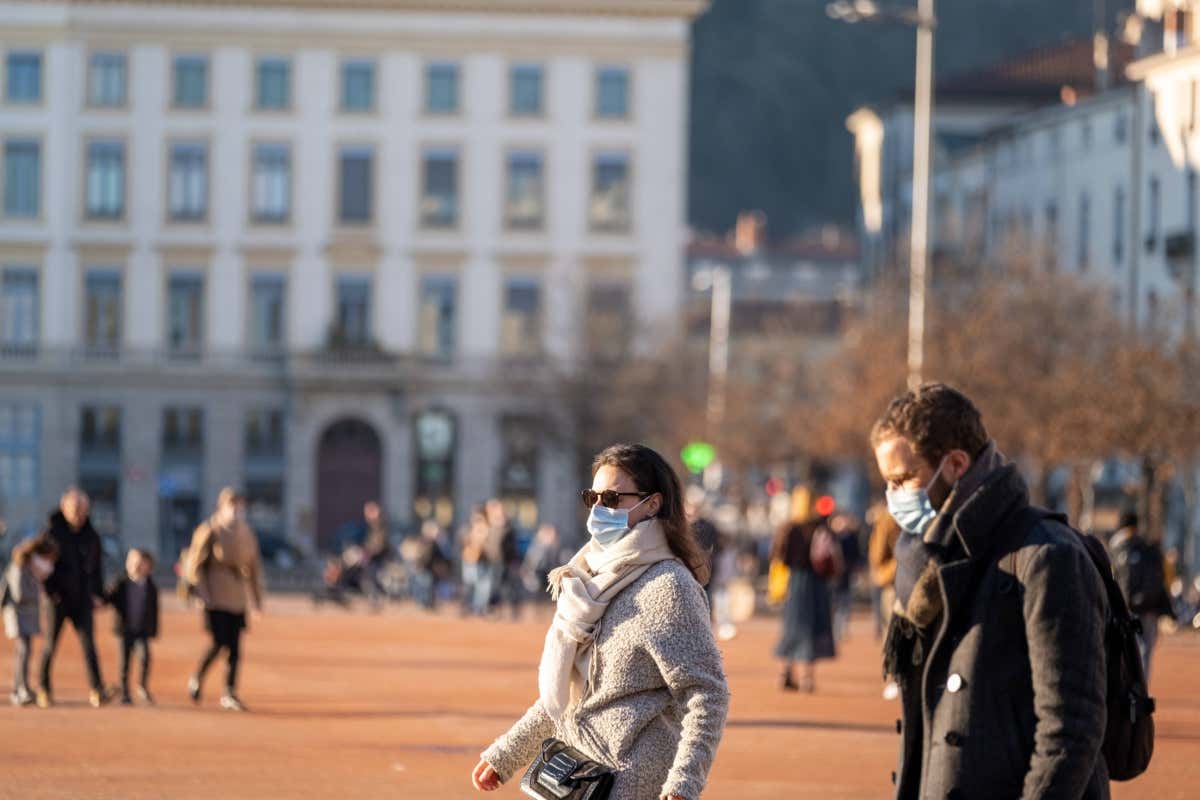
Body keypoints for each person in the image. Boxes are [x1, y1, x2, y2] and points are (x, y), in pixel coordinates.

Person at [873, 383, 1109, 799]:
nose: (894, 496)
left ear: (957, 463)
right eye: (887, 483)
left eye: (905, 478)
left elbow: (1071, 727)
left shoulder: (1047, 556)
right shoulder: (924, 562)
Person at [472, 444, 729, 800]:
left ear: (652, 504)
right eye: (592, 497)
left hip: (632, 777)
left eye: (611, 498)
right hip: (576, 773)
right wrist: (507, 753)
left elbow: (706, 692)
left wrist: (684, 783)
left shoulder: (669, 586)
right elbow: (569, 696)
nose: (598, 508)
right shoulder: (588, 577)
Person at [184, 488, 265, 712]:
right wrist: (201, 592)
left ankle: (229, 693)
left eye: (240, 507)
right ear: (222, 507)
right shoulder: (210, 530)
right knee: (218, 643)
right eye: (232, 506)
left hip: (237, 598)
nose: (237, 511)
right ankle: (198, 676)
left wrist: (257, 601)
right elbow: (195, 564)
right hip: (215, 595)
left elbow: (255, 569)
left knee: (236, 648)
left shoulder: (247, 533)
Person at [38, 487, 113, 708]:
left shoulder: (92, 536)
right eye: (75, 509)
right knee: (50, 645)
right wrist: (51, 593)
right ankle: (43, 689)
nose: (80, 514)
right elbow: (41, 568)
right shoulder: (51, 533)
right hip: (58, 599)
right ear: (64, 508)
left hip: (82, 599)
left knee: (89, 645)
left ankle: (97, 690)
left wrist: (98, 595)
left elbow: (97, 568)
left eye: (83, 510)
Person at [770, 491, 836, 693]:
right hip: (816, 584)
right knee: (812, 628)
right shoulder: (819, 527)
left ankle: (785, 672)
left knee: (792, 627)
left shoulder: (788, 528)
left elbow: (778, 555)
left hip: (795, 582)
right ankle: (807, 678)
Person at [1108, 508, 1173, 682]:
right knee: (1143, 651)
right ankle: (1139, 690)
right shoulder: (1147, 549)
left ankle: (1134, 691)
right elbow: (1160, 580)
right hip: (1146, 608)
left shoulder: (1115, 549)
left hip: (1127, 608)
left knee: (1130, 650)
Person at [3, 534, 58, 706]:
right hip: (17, 615)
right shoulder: (19, 566)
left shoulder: (30, 568)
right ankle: (19, 689)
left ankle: (21, 687)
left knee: (25, 651)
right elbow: (19, 594)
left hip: (27, 615)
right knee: (23, 651)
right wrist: (39, 595)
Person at [106, 548, 160, 705]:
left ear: (148, 566)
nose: (136, 566)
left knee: (145, 657)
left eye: (141, 563)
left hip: (141, 630)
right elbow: (109, 597)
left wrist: (153, 630)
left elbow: (154, 611)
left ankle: (142, 686)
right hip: (125, 629)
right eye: (133, 562)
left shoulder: (151, 587)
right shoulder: (121, 583)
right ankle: (125, 692)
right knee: (124, 663)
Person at [867, 506, 902, 700]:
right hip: (896, 579)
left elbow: (876, 555)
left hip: (893, 581)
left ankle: (893, 678)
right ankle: (895, 677)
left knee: (891, 630)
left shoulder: (886, 519)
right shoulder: (887, 520)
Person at [830, 512, 863, 642]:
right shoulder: (830, 538)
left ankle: (842, 629)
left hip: (846, 578)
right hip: (831, 578)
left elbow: (857, 556)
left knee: (844, 605)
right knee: (833, 606)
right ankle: (833, 630)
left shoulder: (851, 538)